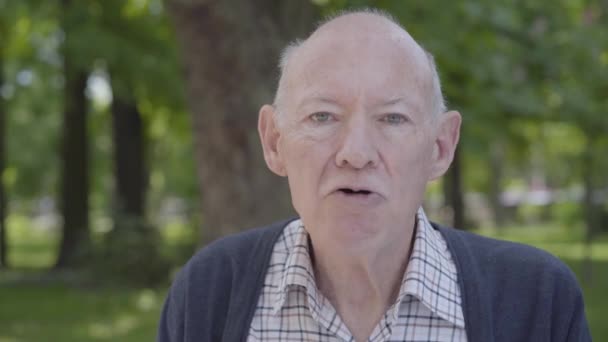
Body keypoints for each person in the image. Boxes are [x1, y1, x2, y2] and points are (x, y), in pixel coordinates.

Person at [157, 9, 591, 342]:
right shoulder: (210, 293)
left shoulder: (537, 300)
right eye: (322, 116)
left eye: (393, 118)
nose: (356, 153)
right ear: (274, 143)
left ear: (440, 147)